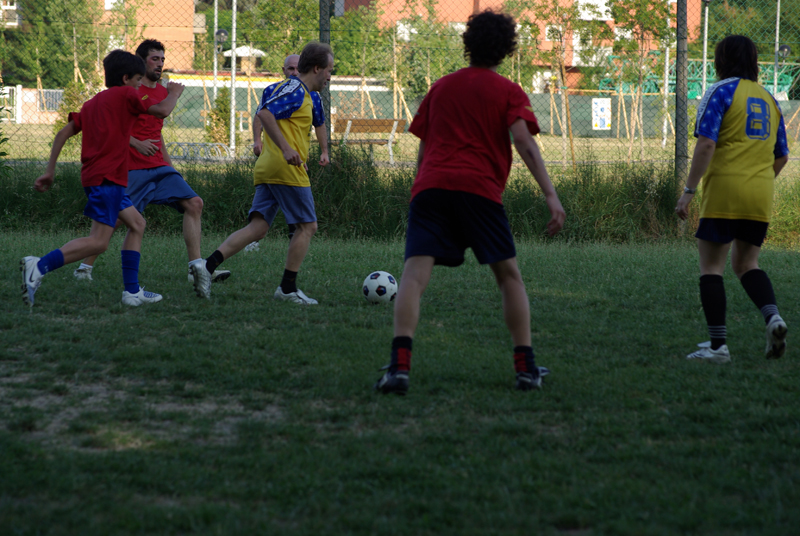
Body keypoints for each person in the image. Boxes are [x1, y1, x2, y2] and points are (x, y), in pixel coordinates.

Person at [374, 10, 565, 395]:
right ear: (507, 49)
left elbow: (424, 146)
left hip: (432, 188)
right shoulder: (508, 91)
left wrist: (418, 189)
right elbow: (523, 141)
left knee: (413, 276)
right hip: (479, 191)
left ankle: (399, 367)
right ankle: (526, 369)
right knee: (508, 277)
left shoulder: (442, 87)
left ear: (468, 44)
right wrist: (550, 194)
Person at [21, 50, 184, 307]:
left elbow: (63, 133)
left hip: (100, 178)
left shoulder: (92, 103)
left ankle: (132, 292)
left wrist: (49, 170)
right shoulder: (127, 94)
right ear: (126, 78)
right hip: (107, 180)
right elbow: (162, 111)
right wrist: (173, 93)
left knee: (137, 224)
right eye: (138, 80)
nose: (140, 86)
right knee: (98, 242)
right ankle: (38, 266)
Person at [73, 39, 231, 285]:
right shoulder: (129, 91)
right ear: (140, 61)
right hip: (131, 167)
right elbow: (111, 128)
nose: (160, 64)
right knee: (115, 219)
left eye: (162, 59)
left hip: (158, 167)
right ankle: (84, 268)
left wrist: (169, 167)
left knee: (194, 203)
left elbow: (156, 133)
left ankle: (196, 269)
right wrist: (136, 142)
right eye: (154, 59)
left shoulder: (161, 92)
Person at [676, 34, 790, 364]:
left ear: (721, 60)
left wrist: (688, 191)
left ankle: (718, 347)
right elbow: (782, 155)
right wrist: (758, 181)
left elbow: (706, 144)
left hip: (724, 193)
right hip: (760, 195)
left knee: (711, 268)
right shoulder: (770, 99)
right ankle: (773, 318)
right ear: (754, 62)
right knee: (747, 264)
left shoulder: (720, 91)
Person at [190, 42, 333, 304]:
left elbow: (278, 120)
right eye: (329, 70)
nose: (329, 77)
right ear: (316, 68)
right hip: (286, 170)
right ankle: (287, 289)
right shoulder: (296, 90)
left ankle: (206, 267)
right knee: (307, 227)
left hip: (269, 167)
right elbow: (265, 114)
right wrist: (287, 149)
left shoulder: (293, 89)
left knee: (258, 228)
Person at [247, 53, 329, 246]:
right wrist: (257, 140)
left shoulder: (312, 95)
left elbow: (319, 123)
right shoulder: (273, 90)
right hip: (281, 161)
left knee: (264, 221)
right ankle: (289, 253)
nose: (294, 72)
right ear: (283, 70)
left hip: (287, 161)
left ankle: (212, 261)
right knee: (307, 225)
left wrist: (324, 150)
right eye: (290, 69)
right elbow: (261, 114)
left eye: (297, 68)